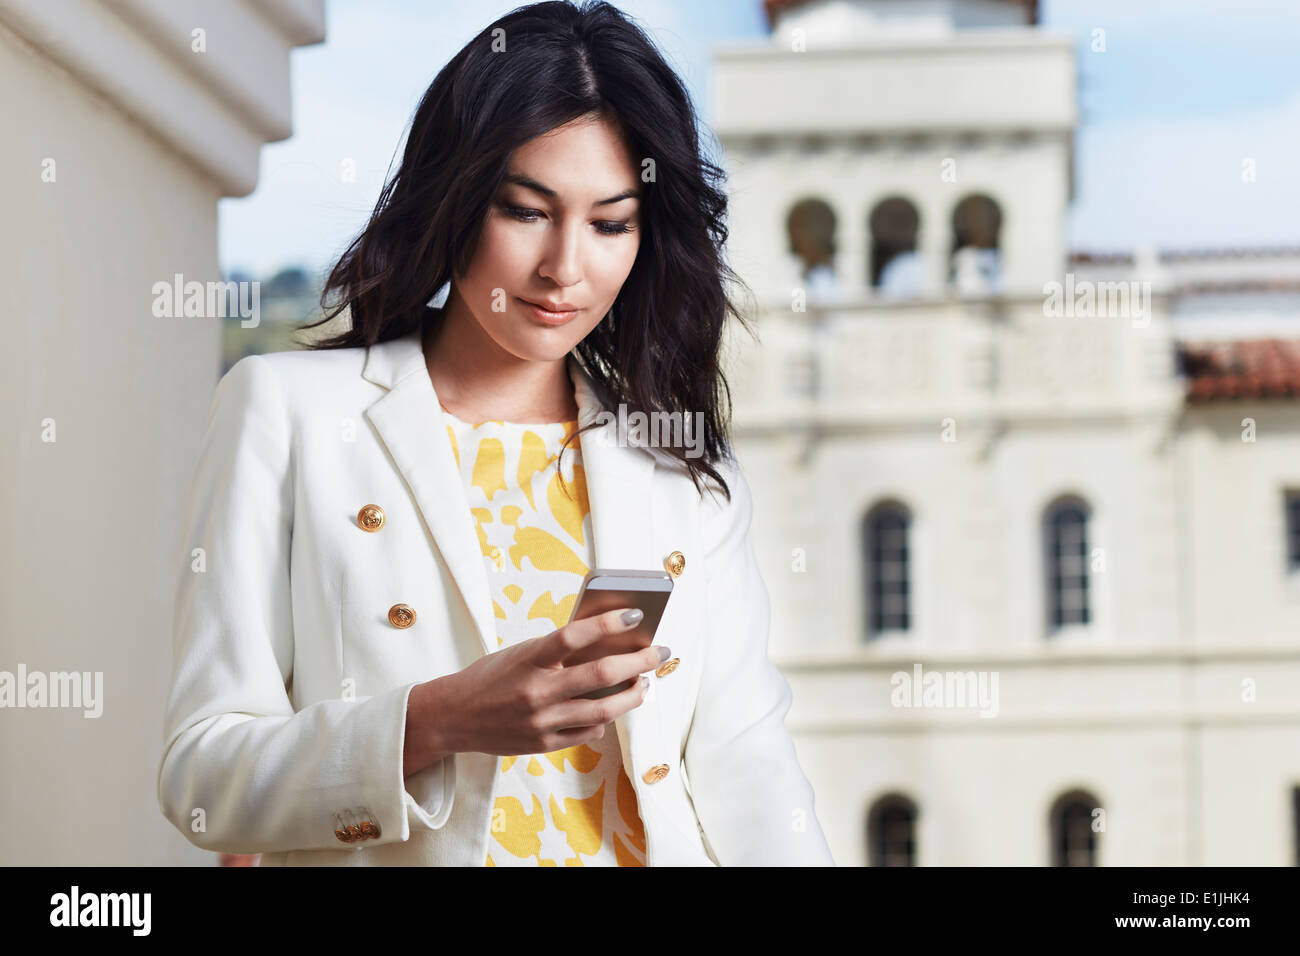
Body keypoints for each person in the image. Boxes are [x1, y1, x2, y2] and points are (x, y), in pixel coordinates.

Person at [157, 0, 834, 867]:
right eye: (525, 211)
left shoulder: (681, 470)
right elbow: (203, 780)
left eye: (611, 223)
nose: (564, 268)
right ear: (457, 198)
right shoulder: (288, 412)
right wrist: (439, 718)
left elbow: (752, 769)